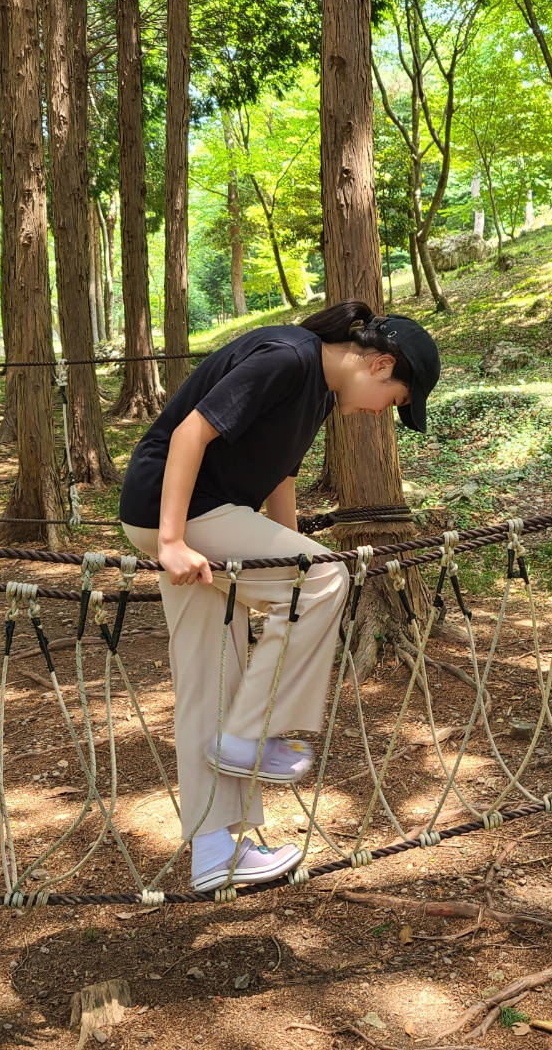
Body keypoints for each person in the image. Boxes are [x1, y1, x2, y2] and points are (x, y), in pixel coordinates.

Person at [118, 299, 440, 891]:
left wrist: (281, 547)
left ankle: (214, 850)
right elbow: (190, 431)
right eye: (394, 402)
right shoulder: (287, 359)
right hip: (180, 512)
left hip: (198, 515)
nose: (381, 415)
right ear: (379, 364)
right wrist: (170, 541)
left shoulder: (318, 391)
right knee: (324, 577)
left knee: (209, 671)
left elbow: (280, 475)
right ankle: (251, 732)